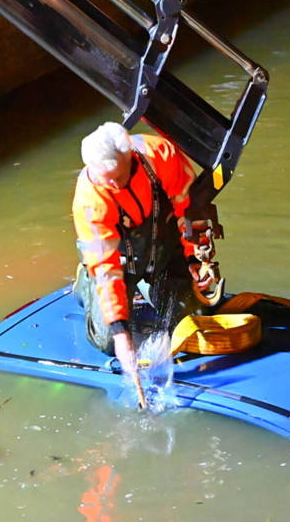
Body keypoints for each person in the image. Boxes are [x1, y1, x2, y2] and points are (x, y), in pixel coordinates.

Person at [72, 122, 212, 377]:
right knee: (109, 343)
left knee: (189, 324)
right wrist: (121, 333)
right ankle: (86, 284)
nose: (111, 186)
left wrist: (195, 257)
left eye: (117, 177)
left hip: (161, 249)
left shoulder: (160, 154)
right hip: (117, 263)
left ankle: (148, 285)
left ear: (131, 157)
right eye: (104, 179)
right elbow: (106, 267)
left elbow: (190, 210)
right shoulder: (89, 203)